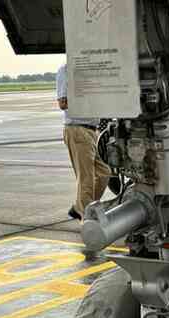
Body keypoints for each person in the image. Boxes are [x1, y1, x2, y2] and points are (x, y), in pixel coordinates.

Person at [56, 63, 111, 220]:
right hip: (78, 129)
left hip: (92, 130)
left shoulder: (89, 70)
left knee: (104, 173)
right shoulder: (66, 70)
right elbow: (63, 103)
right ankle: (87, 219)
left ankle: (79, 207)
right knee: (86, 179)